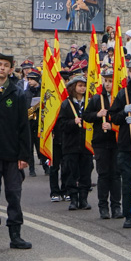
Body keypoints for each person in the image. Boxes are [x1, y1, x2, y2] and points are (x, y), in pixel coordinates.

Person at [0, 53, 32, 250]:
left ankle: (15, 234)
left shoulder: (17, 94)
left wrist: (24, 155)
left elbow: (23, 127)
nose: (2, 68)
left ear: (11, 70)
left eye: (6, 65)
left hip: (12, 155)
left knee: (13, 194)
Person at [83, 67, 121, 220]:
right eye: (106, 81)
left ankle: (116, 206)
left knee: (116, 175)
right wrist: (98, 115)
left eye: (111, 81)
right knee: (103, 175)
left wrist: (112, 124)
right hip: (100, 142)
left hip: (117, 142)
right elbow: (86, 115)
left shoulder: (119, 98)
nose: (108, 84)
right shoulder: (97, 99)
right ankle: (103, 207)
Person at [109, 57, 131, 229]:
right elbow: (113, 116)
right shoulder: (123, 94)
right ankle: (128, 215)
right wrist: (123, 114)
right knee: (127, 181)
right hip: (126, 144)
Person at [57, 74, 92, 211]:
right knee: (71, 171)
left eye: (84, 86)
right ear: (73, 87)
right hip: (71, 144)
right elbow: (61, 124)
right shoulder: (67, 104)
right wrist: (73, 122)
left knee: (86, 171)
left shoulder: (89, 103)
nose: (82, 88)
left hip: (86, 144)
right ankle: (73, 198)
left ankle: (83, 198)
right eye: (80, 85)